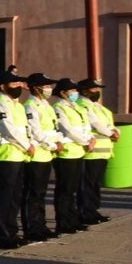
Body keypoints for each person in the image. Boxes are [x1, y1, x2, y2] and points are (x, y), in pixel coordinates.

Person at [0, 70, 36, 250]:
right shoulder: (1, 104)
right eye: (14, 84)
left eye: (19, 84)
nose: (18, 87)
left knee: (14, 198)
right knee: (4, 198)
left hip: (19, 156)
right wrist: (27, 145)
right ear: (3, 86)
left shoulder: (17, 105)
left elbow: (25, 128)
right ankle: (1, 235)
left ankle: (11, 232)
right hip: (6, 156)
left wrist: (29, 143)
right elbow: (8, 129)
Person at [23, 73, 62, 242]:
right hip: (37, 155)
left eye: (49, 86)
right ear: (35, 88)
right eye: (45, 86)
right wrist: (52, 144)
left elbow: (53, 128)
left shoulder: (46, 105)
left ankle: (41, 225)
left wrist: (57, 142)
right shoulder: (31, 105)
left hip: (46, 155)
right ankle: (32, 228)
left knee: (41, 194)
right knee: (33, 194)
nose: (48, 88)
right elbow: (36, 131)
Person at [52, 78, 94, 235]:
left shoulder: (77, 107)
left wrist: (90, 138)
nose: (75, 93)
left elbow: (85, 126)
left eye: (76, 90)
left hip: (79, 152)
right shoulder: (59, 108)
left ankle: (73, 220)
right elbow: (68, 130)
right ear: (63, 93)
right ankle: (63, 222)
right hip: (66, 153)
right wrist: (85, 141)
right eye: (72, 91)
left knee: (73, 189)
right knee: (65, 190)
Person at [77, 78, 116, 224]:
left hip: (102, 151)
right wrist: (111, 133)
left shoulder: (96, 106)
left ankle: (93, 211)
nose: (97, 92)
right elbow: (96, 124)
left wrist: (114, 130)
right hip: (91, 152)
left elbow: (107, 123)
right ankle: (85, 212)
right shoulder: (83, 105)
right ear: (85, 90)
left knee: (94, 184)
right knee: (88, 185)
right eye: (94, 89)